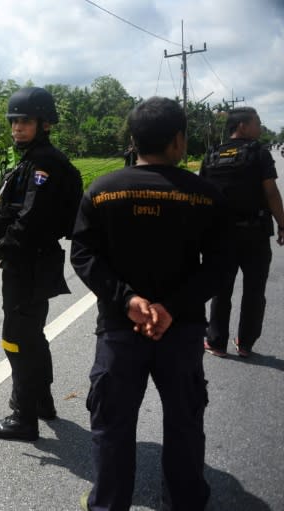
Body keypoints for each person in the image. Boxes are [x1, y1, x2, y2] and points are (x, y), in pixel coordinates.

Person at [71, 97, 229, 510]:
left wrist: (129, 301)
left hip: (121, 332)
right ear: (179, 140)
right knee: (184, 424)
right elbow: (220, 265)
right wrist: (172, 308)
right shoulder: (205, 196)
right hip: (182, 331)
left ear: (133, 139)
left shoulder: (102, 191)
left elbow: (83, 255)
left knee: (112, 427)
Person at [0, 87, 83, 441]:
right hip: (32, 260)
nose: (17, 128)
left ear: (45, 123)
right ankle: (41, 401)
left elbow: (33, 219)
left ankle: (23, 417)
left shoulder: (44, 164)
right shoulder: (32, 160)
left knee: (16, 338)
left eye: (25, 121)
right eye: (14, 121)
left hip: (29, 261)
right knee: (31, 334)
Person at [200, 106, 284, 358]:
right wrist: (282, 223)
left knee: (220, 290)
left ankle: (216, 342)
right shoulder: (258, 153)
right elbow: (270, 192)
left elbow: (202, 194)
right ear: (242, 127)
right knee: (254, 290)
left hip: (219, 236)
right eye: (257, 123)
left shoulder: (212, 154)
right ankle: (245, 344)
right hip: (254, 234)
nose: (260, 127)